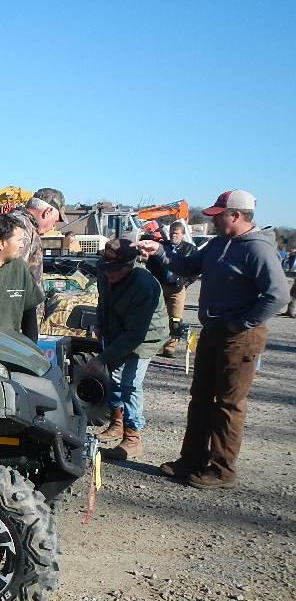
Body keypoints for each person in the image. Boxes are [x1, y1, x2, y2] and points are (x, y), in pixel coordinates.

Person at [137, 189, 288, 489]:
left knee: (228, 404)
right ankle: (191, 460)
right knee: (201, 398)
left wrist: (243, 322)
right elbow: (186, 266)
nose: (214, 222)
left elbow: (278, 295)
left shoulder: (257, 249)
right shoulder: (219, 244)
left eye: (219, 216)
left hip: (240, 337)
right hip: (214, 332)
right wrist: (160, 251)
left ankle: (221, 470)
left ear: (236, 215)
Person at [88, 238, 169, 460]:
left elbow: (136, 335)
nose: (108, 274)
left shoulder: (144, 284)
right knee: (114, 378)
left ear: (130, 265)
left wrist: (102, 358)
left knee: (130, 383)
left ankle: (133, 437)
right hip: (118, 330)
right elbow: (103, 302)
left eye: (115, 270)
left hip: (145, 336)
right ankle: (117, 422)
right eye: (106, 268)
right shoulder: (104, 271)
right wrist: (101, 327)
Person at [6, 187, 69, 286]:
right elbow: (13, 280)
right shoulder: (21, 227)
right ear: (47, 212)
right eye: (55, 220)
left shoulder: (24, 225)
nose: (53, 226)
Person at [156, 220, 197, 357]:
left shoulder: (190, 249)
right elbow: (152, 265)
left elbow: (195, 270)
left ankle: (170, 347)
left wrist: (185, 284)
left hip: (177, 289)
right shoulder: (162, 247)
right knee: (157, 317)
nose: (173, 236)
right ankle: (156, 344)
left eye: (177, 233)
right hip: (161, 287)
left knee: (175, 319)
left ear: (183, 235)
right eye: (172, 233)